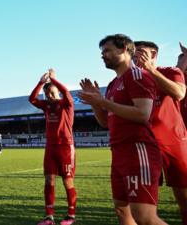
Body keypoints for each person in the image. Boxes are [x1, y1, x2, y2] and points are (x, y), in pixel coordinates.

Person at [78, 34, 167, 225]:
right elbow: (104, 122)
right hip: (118, 152)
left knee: (145, 217)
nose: (103, 55)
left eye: (107, 50)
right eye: (102, 52)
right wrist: (96, 103)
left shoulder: (137, 75)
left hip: (138, 150)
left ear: (125, 49)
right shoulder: (112, 85)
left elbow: (142, 113)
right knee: (122, 211)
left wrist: (102, 101)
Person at [134, 41, 187, 225]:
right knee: (145, 207)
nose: (135, 56)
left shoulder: (171, 72)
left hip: (174, 142)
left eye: (140, 52)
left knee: (184, 200)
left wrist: (152, 70)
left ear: (154, 54)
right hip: (145, 146)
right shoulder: (132, 79)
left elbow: (179, 93)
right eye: (133, 53)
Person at [29, 69, 76, 225]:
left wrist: (54, 80)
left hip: (65, 147)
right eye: (47, 93)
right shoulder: (46, 106)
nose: (50, 95)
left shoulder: (66, 104)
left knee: (67, 181)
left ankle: (71, 215)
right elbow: (32, 99)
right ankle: (49, 217)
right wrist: (41, 82)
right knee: (49, 180)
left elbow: (66, 92)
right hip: (50, 147)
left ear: (57, 92)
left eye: (52, 92)